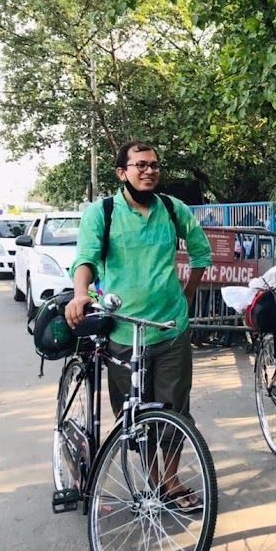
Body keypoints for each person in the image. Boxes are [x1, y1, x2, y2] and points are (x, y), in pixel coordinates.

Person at [65, 140, 212, 512]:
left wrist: (188, 295)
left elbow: (201, 252)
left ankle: (170, 480)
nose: (149, 171)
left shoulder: (172, 209)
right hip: (122, 332)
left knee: (175, 410)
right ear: (122, 172)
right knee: (135, 414)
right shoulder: (103, 212)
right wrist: (81, 294)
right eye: (141, 165)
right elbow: (86, 258)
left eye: (155, 166)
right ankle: (154, 477)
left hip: (170, 329)